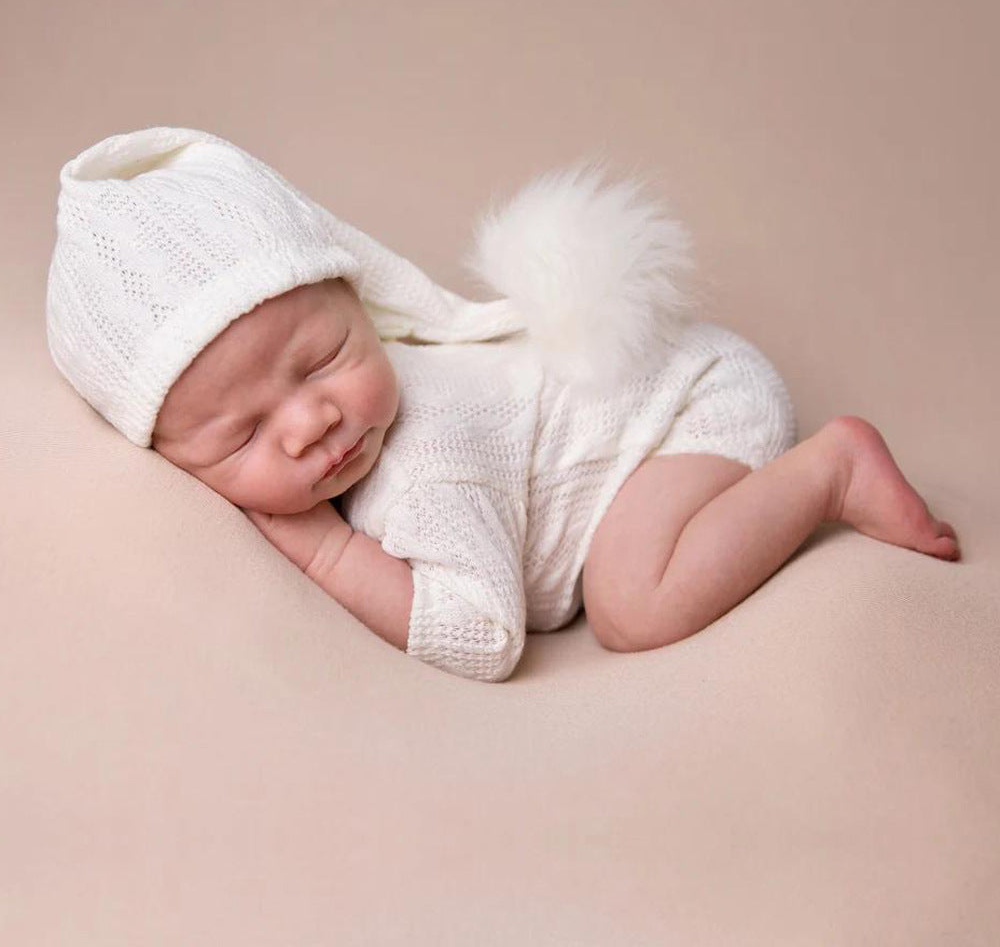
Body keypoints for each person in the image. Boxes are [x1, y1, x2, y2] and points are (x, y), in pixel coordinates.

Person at [46, 126, 961, 684]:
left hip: (688, 407)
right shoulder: (342, 425)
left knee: (632, 604)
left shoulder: (420, 465)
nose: (311, 422)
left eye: (324, 359)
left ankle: (831, 468)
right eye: (243, 432)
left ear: (366, 304)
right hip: (643, 404)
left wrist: (326, 550)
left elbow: (486, 636)